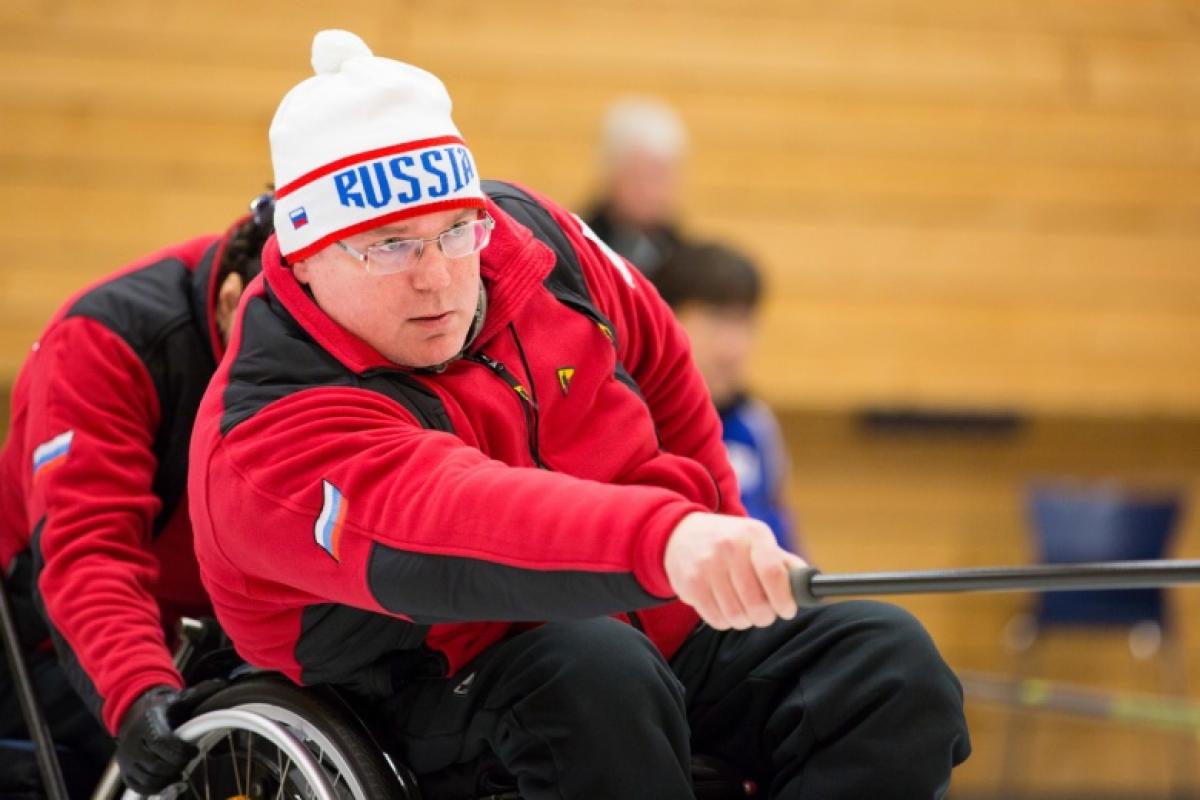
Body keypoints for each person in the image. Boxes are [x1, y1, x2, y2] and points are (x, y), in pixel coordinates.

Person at [189, 30, 970, 800]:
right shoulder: (267, 424)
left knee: (886, 664)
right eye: (390, 247)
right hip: (429, 678)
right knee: (594, 674)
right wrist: (665, 538)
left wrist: (716, 531)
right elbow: (457, 514)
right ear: (305, 254)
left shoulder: (531, 238)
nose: (438, 279)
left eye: (455, 232)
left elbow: (660, 351)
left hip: (640, 619)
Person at [0, 195, 273, 796]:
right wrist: (138, 691)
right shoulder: (106, 339)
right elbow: (86, 553)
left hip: (219, 634)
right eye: (270, 348)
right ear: (231, 301)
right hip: (47, 635)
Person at [652, 241, 799, 552]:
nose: (734, 347)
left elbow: (783, 539)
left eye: (744, 321)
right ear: (665, 318)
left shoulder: (756, 424)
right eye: (716, 319)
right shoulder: (632, 423)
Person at [584, 97, 687, 278]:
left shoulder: (683, 257)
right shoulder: (580, 246)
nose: (651, 192)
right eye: (640, 177)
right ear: (613, 175)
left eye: (660, 177)